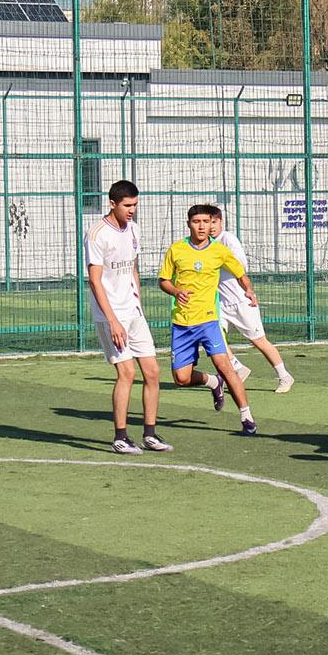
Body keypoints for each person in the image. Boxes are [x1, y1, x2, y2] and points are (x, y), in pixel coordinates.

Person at [85, 180, 169, 455]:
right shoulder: (97, 234)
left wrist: (138, 306)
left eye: (135, 204)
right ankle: (120, 437)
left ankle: (150, 435)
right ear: (113, 204)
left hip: (133, 313)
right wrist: (112, 320)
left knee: (153, 372)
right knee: (127, 373)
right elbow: (96, 281)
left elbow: (132, 267)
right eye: (127, 205)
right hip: (111, 315)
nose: (132, 210)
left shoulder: (134, 229)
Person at [159, 205, 258, 435]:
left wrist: (249, 291)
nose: (202, 226)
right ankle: (213, 383)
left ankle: (247, 418)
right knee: (181, 379)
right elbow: (163, 280)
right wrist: (175, 291)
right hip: (182, 323)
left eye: (206, 221)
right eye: (197, 221)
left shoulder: (219, 251)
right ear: (189, 224)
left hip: (209, 321)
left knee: (226, 366)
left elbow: (241, 274)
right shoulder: (176, 250)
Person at [206, 205, 295, 393]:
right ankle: (238, 368)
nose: (211, 226)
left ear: (221, 222)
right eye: (208, 222)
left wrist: (219, 259)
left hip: (241, 302)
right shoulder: (206, 244)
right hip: (221, 304)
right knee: (213, 337)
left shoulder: (228, 240)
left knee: (259, 341)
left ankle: (284, 376)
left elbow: (240, 266)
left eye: (214, 222)